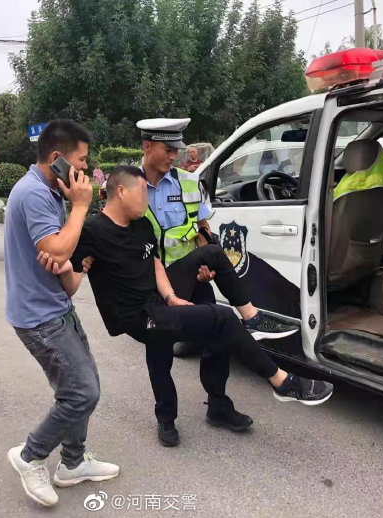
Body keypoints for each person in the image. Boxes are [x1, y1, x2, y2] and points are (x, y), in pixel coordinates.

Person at [41, 166, 333, 448]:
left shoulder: (142, 224)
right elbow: (73, 283)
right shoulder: (92, 231)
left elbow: (154, 263)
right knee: (213, 321)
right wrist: (65, 270)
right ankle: (281, 382)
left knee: (212, 253)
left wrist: (171, 297)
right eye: (142, 193)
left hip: (158, 299)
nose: (147, 200)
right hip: (138, 316)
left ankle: (252, 318)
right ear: (120, 191)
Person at [136, 118, 302, 445]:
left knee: (218, 340)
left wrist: (206, 267)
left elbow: (202, 230)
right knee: (159, 353)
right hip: (153, 285)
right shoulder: (127, 185)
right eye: (167, 150)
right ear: (147, 147)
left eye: (177, 150)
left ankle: (219, 405)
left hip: (194, 277)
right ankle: (166, 417)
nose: (174, 156)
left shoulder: (188, 182)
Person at [4, 119, 119, 508]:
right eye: (81, 161)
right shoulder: (34, 193)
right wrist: (81, 207)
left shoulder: (51, 193)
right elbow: (56, 249)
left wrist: (69, 262)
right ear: (57, 158)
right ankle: (30, 456)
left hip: (56, 307)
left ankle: (72, 462)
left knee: (82, 388)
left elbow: (62, 264)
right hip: (40, 318)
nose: (85, 169)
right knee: (81, 393)